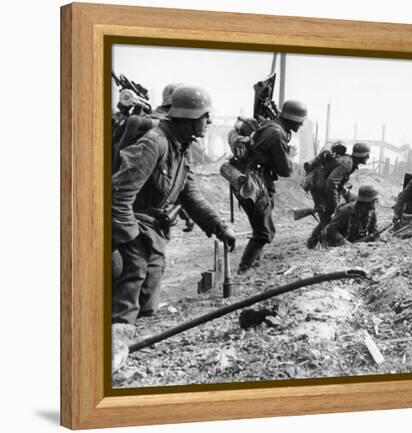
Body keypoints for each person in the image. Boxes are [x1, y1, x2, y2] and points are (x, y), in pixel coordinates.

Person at [112, 85, 236, 329]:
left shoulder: (181, 147)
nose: (209, 121)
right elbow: (118, 195)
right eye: (205, 115)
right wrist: (132, 242)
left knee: (148, 308)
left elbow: (190, 195)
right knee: (124, 309)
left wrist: (219, 226)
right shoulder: (154, 143)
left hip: (154, 235)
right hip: (136, 233)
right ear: (188, 118)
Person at [228, 100, 307, 272]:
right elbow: (285, 170)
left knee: (261, 229)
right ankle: (245, 269)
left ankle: (254, 265)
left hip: (250, 180)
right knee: (264, 232)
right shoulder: (277, 134)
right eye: (300, 120)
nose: (301, 124)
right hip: (254, 184)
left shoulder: (270, 126)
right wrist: (290, 155)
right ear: (292, 119)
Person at [305, 142, 371, 249]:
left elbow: (336, 183)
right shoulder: (347, 163)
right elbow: (331, 183)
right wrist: (336, 207)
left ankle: (317, 242)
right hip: (320, 189)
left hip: (321, 187)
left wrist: (345, 193)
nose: (368, 157)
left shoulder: (349, 162)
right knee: (329, 218)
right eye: (367, 155)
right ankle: (313, 243)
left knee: (328, 217)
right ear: (362, 156)